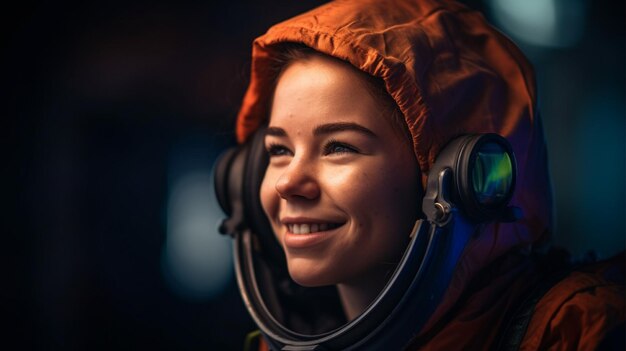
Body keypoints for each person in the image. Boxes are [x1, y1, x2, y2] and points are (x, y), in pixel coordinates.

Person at [214, 0, 625, 349]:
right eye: (279, 150)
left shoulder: (579, 332)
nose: (287, 183)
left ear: (460, 179)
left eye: (339, 147)